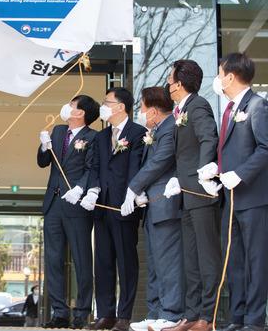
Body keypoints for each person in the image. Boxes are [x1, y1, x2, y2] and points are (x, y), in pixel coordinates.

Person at [162, 59, 221, 331]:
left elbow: (209, 137)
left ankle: (208, 317)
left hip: (202, 193)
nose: (168, 86)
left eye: (171, 81)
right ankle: (191, 315)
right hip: (186, 195)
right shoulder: (180, 110)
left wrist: (205, 172)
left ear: (181, 82)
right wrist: (177, 178)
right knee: (191, 260)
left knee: (207, 258)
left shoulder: (198, 105)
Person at [82, 87, 147, 331]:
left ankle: (124, 316)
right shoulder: (100, 136)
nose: (103, 106)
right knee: (103, 261)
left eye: (107, 102)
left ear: (120, 106)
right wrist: (93, 190)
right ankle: (105, 314)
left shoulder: (138, 133)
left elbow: (135, 167)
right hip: (101, 207)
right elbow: (95, 167)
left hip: (124, 206)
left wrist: (131, 195)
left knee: (126, 261)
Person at [212, 53, 268, 331]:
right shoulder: (231, 108)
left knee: (255, 260)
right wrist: (217, 169)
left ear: (231, 76)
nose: (219, 79)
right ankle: (237, 316)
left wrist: (240, 174)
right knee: (233, 260)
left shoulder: (257, 106)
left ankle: (255, 319)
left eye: (221, 73)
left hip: (254, 198)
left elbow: (266, 148)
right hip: (231, 199)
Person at [37, 95, 100, 329]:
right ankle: (59, 312)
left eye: (72, 105)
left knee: (82, 259)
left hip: (75, 204)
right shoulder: (58, 131)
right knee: (53, 259)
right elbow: (43, 162)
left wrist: (81, 189)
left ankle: (82, 312)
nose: (68, 107)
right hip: (53, 203)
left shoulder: (93, 137)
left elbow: (92, 167)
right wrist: (44, 146)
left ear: (80, 112)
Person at [125, 87, 185, 331]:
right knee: (155, 263)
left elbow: (161, 161)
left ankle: (171, 314)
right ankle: (155, 311)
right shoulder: (156, 130)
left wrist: (134, 187)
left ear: (152, 109)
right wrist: (140, 192)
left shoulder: (171, 127)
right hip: (152, 205)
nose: (140, 111)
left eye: (141, 106)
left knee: (169, 263)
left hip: (166, 204)